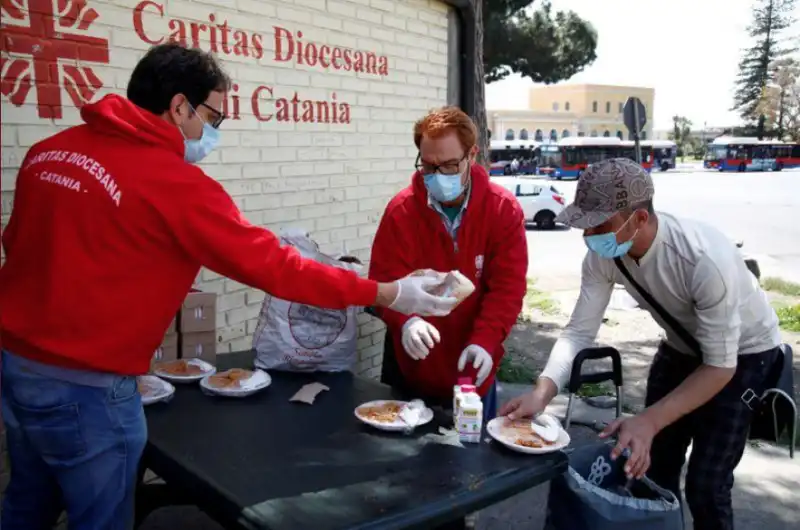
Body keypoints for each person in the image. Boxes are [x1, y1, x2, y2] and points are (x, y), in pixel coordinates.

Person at [0, 43, 456, 530]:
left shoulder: (49, 152)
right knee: (102, 517)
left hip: (14, 362)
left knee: (29, 499)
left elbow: (23, 245)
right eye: (213, 117)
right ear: (180, 106)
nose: (212, 132)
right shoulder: (173, 183)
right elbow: (279, 267)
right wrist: (387, 293)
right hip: (87, 386)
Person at [500, 158, 781, 530]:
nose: (589, 235)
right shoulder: (603, 255)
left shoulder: (703, 260)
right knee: (650, 471)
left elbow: (719, 366)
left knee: (706, 485)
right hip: (681, 348)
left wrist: (649, 420)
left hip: (744, 356)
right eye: (584, 224)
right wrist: (543, 391)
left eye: (599, 224)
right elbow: (578, 332)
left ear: (640, 220)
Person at [369, 106, 528, 424]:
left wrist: (486, 339)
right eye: (428, 166)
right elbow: (384, 281)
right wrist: (406, 322)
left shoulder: (502, 211)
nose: (438, 175)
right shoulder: (401, 211)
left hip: (474, 373)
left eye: (449, 165)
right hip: (412, 369)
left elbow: (507, 289)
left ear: (472, 155)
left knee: (474, 466)